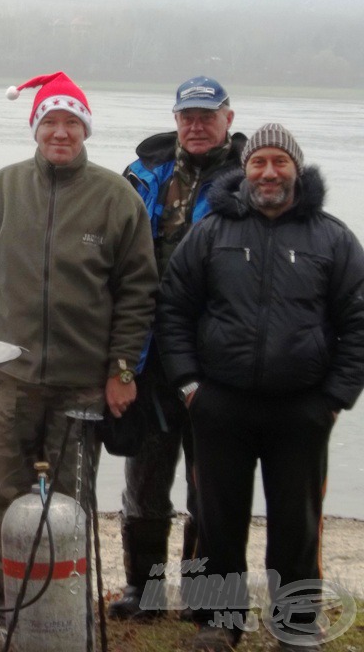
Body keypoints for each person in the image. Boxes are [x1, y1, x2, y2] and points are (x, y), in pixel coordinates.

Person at [0, 72, 158, 610]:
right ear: (35, 127)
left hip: (82, 386)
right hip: (9, 381)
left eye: (71, 122)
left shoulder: (116, 197)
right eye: (50, 121)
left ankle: (65, 610)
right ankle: (10, 605)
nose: (60, 132)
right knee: (7, 497)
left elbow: (138, 290)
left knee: (71, 501)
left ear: (85, 129)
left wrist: (121, 369)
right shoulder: (1, 189)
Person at [156, 124, 364, 652]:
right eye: (258, 163)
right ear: (243, 170)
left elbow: (358, 323)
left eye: (279, 162)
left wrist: (335, 398)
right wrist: (188, 383)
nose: (268, 173)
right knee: (215, 517)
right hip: (219, 402)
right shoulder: (210, 232)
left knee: (297, 523)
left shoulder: (332, 237)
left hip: (302, 407)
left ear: (296, 168)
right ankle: (216, 621)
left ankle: (295, 624)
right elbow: (175, 309)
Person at [110, 76, 247, 620]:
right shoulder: (141, 175)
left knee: (209, 485)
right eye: (187, 116)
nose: (196, 125)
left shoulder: (249, 178)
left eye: (207, 116)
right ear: (175, 119)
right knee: (145, 481)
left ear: (228, 120)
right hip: (148, 355)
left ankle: (203, 595)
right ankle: (142, 592)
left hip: (215, 359)